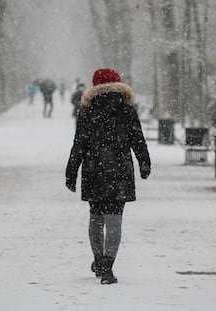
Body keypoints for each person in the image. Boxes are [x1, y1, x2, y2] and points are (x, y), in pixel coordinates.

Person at [65, 68, 151, 285]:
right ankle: (108, 266)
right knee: (115, 218)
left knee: (96, 216)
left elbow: (80, 143)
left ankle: (98, 260)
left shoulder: (87, 110)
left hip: (94, 169)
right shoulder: (127, 109)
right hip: (120, 170)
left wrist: (71, 171)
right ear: (118, 83)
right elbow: (137, 139)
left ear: (94, 86)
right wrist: (144, 162)